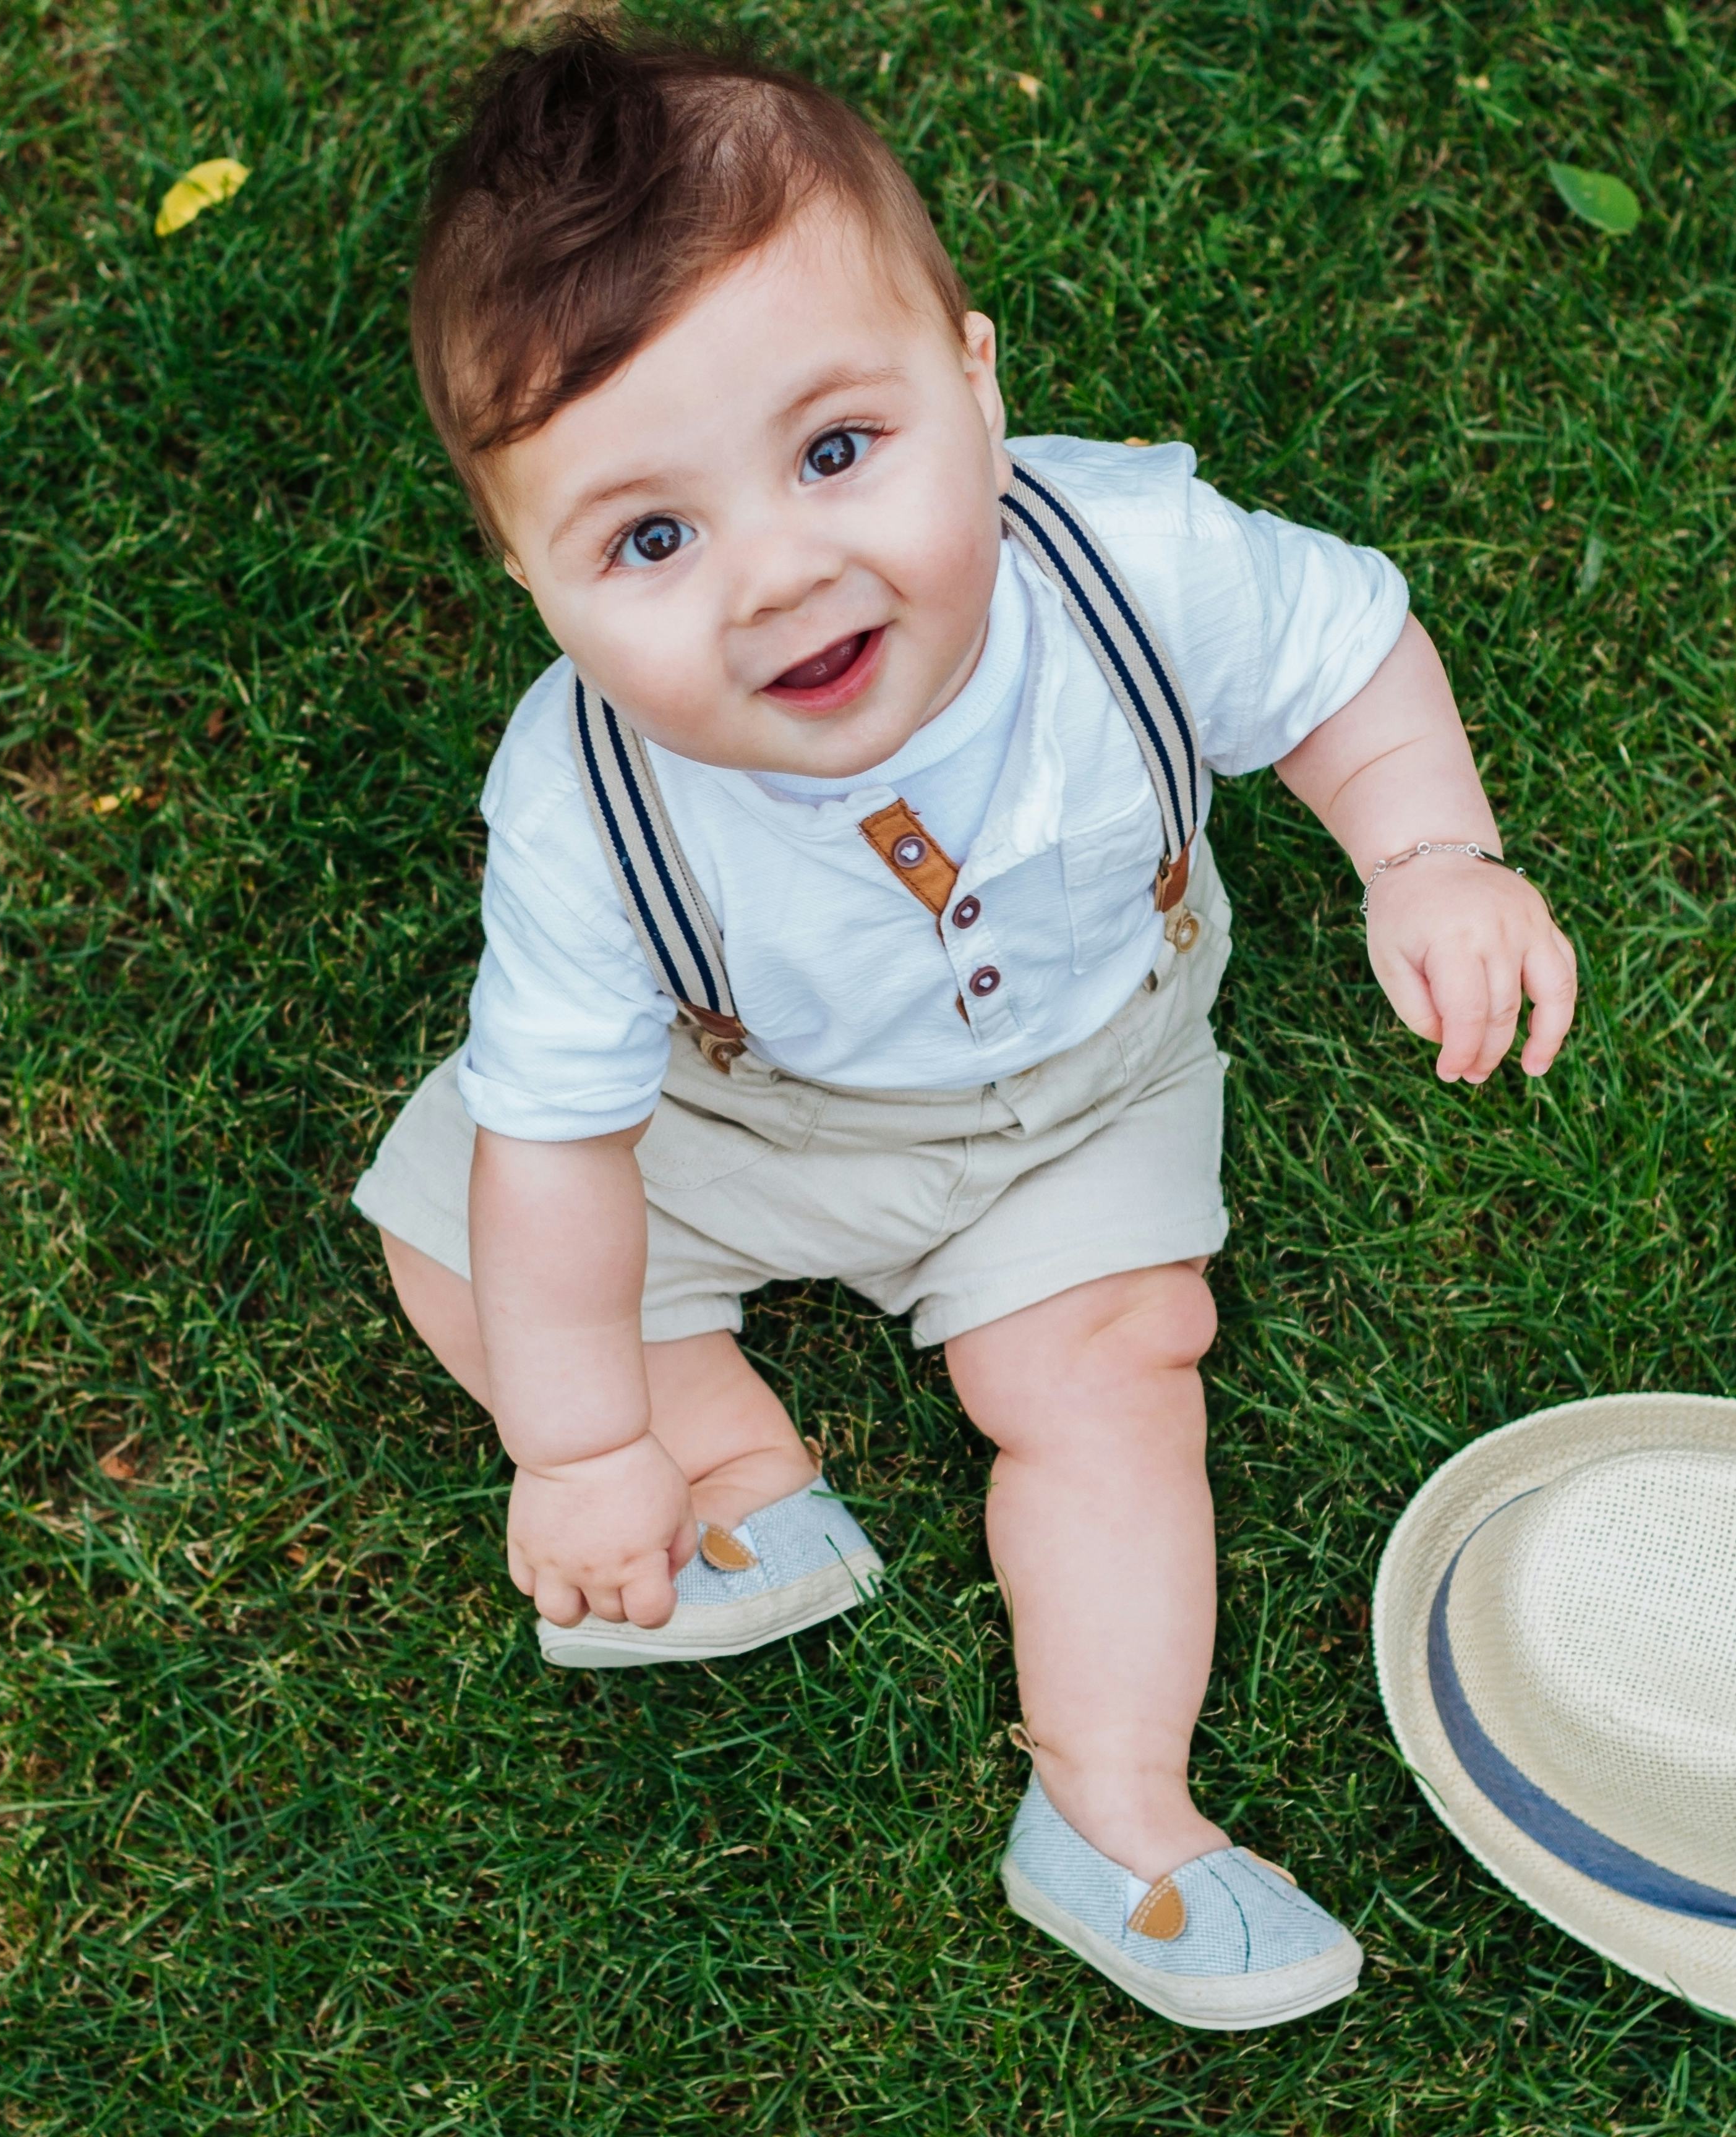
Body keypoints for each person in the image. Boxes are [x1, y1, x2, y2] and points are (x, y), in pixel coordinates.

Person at [354, 22, 1576, 2029]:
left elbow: (1349, 658)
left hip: (1091, 1081)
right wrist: (576, 1447)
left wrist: (1430, 851)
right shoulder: (583, 808)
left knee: (1110, 1369)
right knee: (455, 1227)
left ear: (978, 386)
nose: (781, 575)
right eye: (650, 540)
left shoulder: (1131, 563)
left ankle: (1114, 1807)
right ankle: (737, 1484)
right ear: (528, 577)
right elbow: (562, 1143)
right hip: (742, 1110)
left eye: (839, 453)